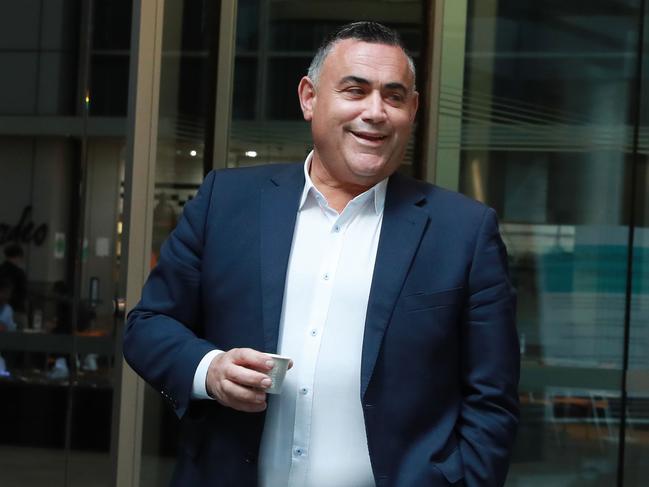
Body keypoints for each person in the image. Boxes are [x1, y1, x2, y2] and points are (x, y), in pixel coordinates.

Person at [124, 21, 519, 487]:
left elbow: (492, 399)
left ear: (412, 110)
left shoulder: (463, 232)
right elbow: (148, 326)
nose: (375, 111)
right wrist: (209, 370)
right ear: (309, 98)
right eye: (355, 90)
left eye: (394, 97)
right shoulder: (225, 202)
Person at [0, 243, 28, 320]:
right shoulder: (19, 273)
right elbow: (23, 293)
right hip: (16, 311)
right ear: (18, 256)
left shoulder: (1, 270)